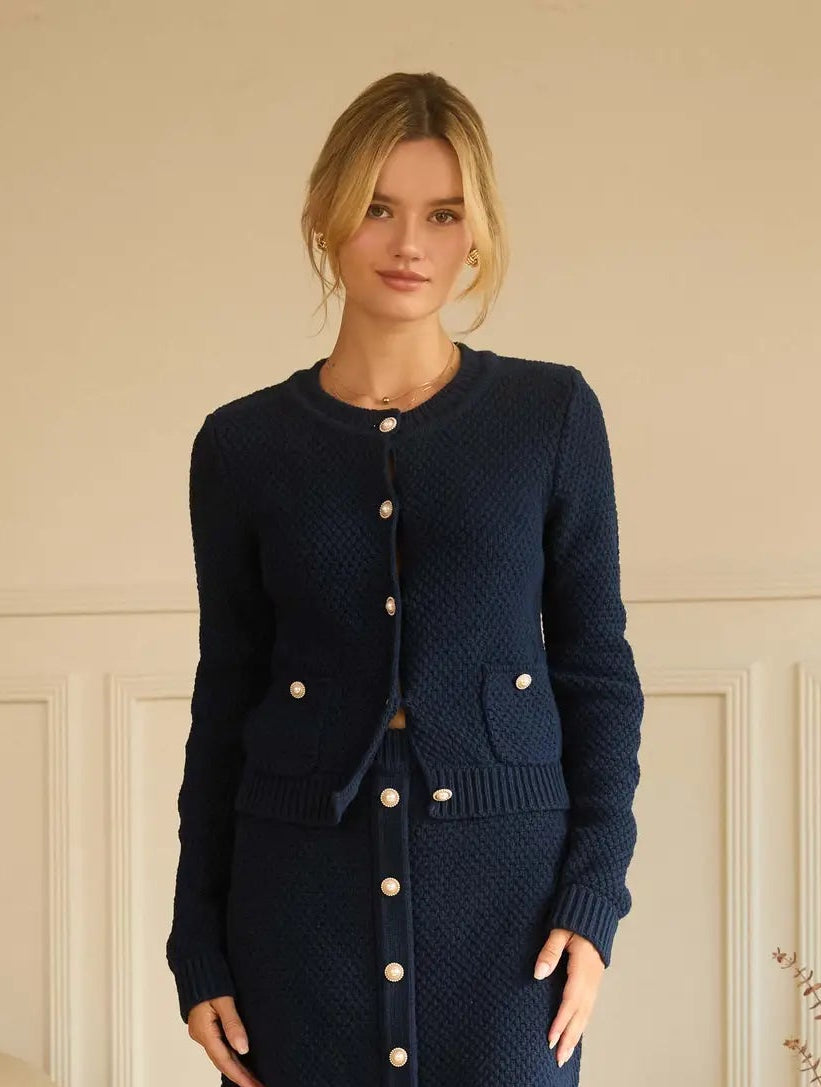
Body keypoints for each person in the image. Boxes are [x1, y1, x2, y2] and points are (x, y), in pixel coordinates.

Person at [165, 70, 644, 1087]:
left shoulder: (548, 417)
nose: (409, 244)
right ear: (325, 215)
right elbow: (227, 697)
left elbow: (596, 669)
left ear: (477, 232)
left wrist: (593, 899)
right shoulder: (241, 447)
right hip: (294, 907)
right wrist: (196, 940)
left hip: (509, 913)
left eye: (442, 213)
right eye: (378, 209)